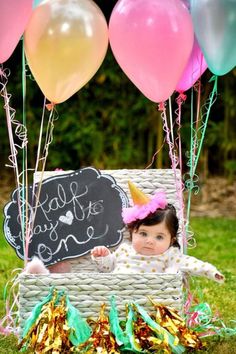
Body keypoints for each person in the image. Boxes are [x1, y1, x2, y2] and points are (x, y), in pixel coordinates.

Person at [91, 181, 224, 283]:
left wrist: (211, 272)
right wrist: (103, 256)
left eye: (159, 237)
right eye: (143, 234)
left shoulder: (169, 255)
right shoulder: (124, 249)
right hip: (118, 292)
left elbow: (191, 263)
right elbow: (107, 268)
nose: (149, 240)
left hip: (151, 296)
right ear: (132, 233)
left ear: (171, 240)